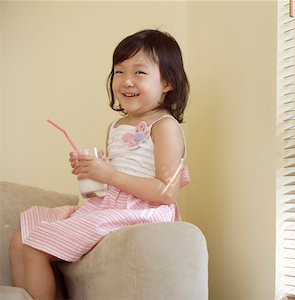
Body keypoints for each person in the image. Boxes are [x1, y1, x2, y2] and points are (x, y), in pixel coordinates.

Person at [8, 29, 190, 300]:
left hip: (141, 211)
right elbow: (109, 188)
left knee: (34, 247)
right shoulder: (116, 126)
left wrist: (110, 174)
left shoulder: (165, 126)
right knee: (19, 240)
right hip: (110, 206)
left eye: (139, 73)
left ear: (167, 82)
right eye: (119, 72)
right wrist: (93, 175)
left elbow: (166, 193)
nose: (127, 81)